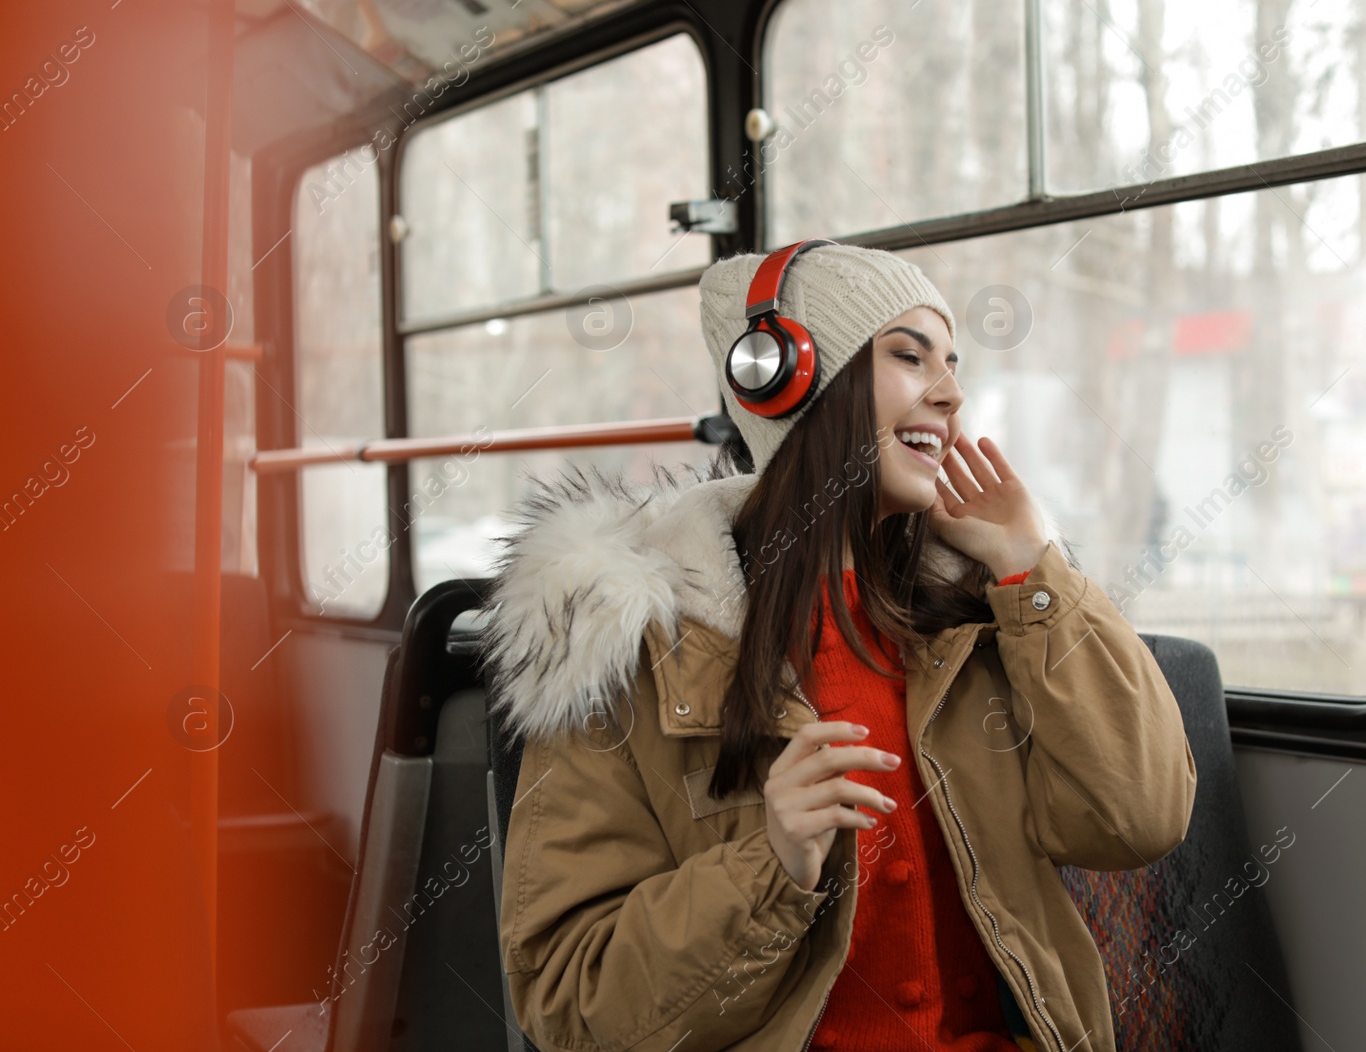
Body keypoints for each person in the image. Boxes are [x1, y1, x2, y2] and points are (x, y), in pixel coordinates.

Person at [484, 242, 1197, 1052]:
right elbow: (570, 1002)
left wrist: (1035, 571)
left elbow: (1140, 819)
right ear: (787, 380)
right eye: (908, 354)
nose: (953, 392)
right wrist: (770, 864)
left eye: (954, 361)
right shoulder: (626, 645)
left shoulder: (988, 618)